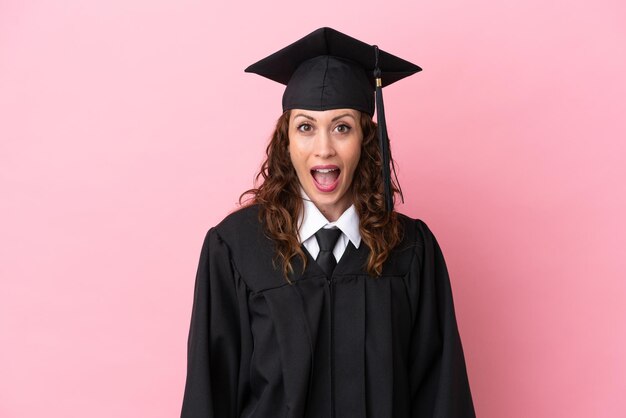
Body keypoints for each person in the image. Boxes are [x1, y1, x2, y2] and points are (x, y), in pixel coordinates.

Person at [181, 27, 476, 418]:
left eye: (342, 127)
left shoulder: (411, 250)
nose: (324, 148)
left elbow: (442, 396)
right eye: (305, 127)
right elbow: (208, 396)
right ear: (286, 141)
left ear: (366, 140)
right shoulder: (237, 249)